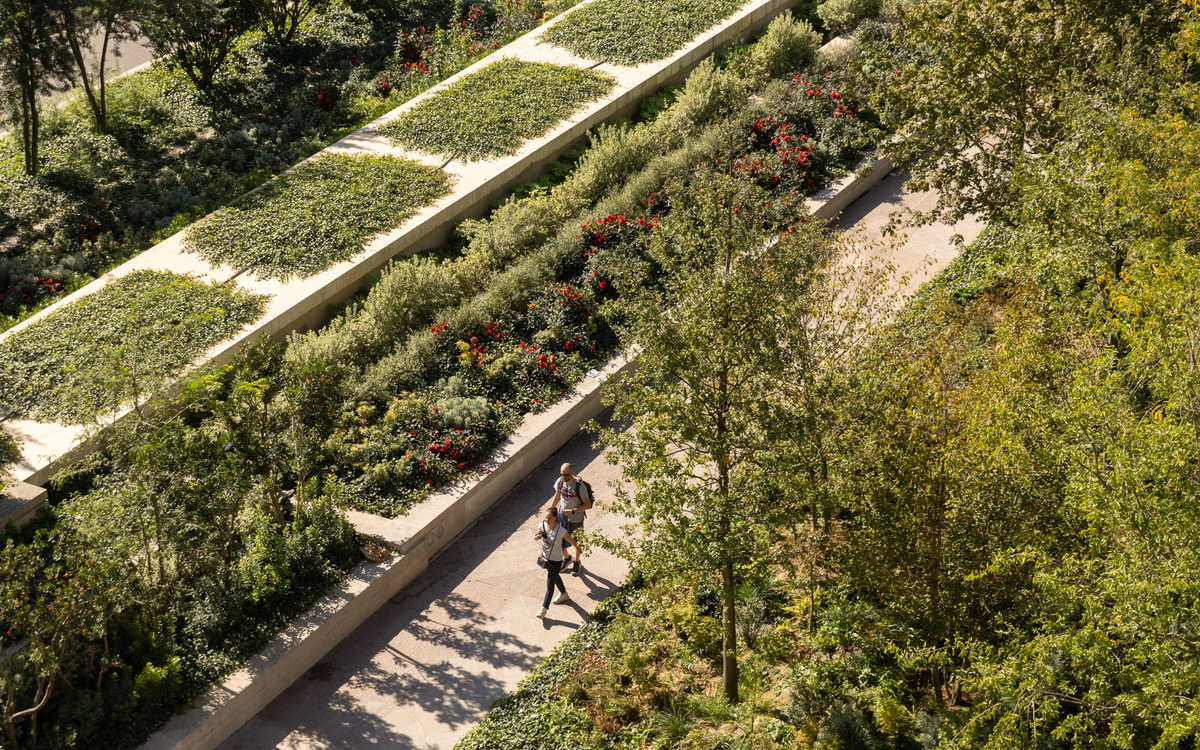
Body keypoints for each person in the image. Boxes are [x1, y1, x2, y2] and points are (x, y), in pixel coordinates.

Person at [534, 507, 578, 619]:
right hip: (545, 559)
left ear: (555, 518)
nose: (546, 519)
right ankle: (564, 593)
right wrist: (537, 537)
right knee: (554, 576)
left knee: (550, 584)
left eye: (548, 518)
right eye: (545, 517)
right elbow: (535, 535)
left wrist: (578, 549)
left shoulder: (561, 531)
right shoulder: (542, 525)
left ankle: (544, 609)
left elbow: (571, 540)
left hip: (556, 560)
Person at [550, 462, 591, 576]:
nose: (564, 477)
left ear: (572, 472)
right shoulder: (560, 481)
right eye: (562, 474)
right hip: (562, 516)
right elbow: (557, 496)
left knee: (577, 542)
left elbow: (587, 505)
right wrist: (550, 512)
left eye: (566, 475)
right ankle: (567, 558)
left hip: (576, 519)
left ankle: (577, 562)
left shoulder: (579, 486)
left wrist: (572, 511)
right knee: (560, 539)